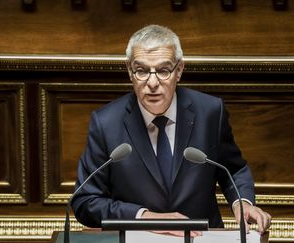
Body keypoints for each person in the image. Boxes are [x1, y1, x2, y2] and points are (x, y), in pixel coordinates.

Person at [71, 24, 271, 236]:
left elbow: (233, 170)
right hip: (138, 239)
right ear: (130, 72)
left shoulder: (210, 112)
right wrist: (146, 218)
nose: (153, 83)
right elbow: (85, 201)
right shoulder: (106, 123)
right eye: (141, 71)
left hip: (201, 238)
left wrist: (242, 202)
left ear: (179, 70)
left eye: (164, 70)